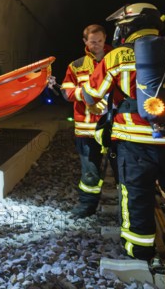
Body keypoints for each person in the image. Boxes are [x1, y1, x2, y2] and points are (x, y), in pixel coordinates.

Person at [82, 3, 165, 261]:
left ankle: (139, 250)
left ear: (128, 27)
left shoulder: (116, 56)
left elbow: (91, 93)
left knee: (136, 193)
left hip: (135, 144)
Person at [58, 24, 112, 218]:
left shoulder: (114, 59)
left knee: (122, 169)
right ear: (85, 42)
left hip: (115, 126)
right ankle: (87, 206)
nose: (96, 45)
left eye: (99, 41)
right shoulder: (77, 65)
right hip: (87, 128)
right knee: (89, 171)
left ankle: (128, 208)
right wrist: (87, 95)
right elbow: (66, 91)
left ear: (105, 39)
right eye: (92, 42)